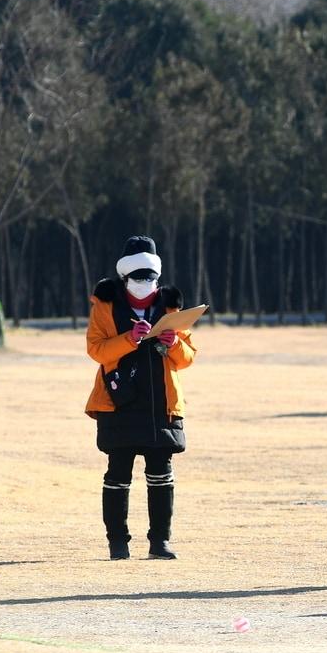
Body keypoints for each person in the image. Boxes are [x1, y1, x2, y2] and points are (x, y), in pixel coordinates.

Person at [85, 236, 197, 560]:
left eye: (150, 277)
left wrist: (173, 342)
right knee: (118, 471)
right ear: (124, 278)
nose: (144, 284)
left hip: (161, 403)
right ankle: (117, 542)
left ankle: (160, 541)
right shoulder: (104, 305)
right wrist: (128, 339)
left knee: (161, 470)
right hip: (118, 399)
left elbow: (188, 357)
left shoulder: (171, 305)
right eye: (137, 278)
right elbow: (96, 349)